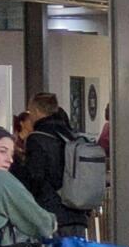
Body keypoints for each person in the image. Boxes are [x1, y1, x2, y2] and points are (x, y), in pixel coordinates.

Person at [15, 92, 90, 237]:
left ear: (36, 111)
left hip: (52, 214)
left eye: (30, 112)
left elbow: (35, 177)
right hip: (78, 212)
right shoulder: (72, 136)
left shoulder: (37, 138)